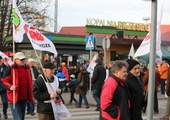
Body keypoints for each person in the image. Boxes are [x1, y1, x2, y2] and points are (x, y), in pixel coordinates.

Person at [2, 52, 34, 120]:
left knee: (22, 118)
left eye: (23, 59)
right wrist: (10, 87)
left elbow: (29, 81)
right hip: (14, 97)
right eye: (21, 59)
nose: (23, 61)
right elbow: (4, 81)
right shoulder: (11, 68)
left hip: (24, 97)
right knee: (18, 118)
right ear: (15, 60)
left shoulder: (26, 69)